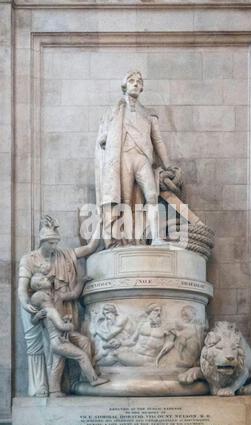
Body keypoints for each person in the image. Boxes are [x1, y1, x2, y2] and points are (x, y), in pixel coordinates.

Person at [18, 215, 101, 397]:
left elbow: (90, 248)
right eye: (51, 243)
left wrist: (101, 223)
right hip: (45, 318)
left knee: (74, 348)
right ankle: (48, 387)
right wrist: (26, 304)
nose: (54, 247)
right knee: (48, 352)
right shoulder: (29, 261)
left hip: (61, 317)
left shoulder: (62, 261)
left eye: (56, 243)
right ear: (43, 241)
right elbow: (22, 290)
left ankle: (77, 381)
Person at [95, 70, 172, 247]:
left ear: (142, 87)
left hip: (143, 158)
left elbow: (158, 140)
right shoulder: (114, 112)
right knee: (125, 201)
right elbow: (102, 139)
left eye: (139, 81)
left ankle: (156, 238)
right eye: (131, 81)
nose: (136, 84)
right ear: (125, 85)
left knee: (151, 195)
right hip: (124, 158)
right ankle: (127, 240)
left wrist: (168, 166)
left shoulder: (149, 114)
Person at [30, 273, 108, 396]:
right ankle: (92, 378)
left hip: (64, 334)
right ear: (39, 287)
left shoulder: (57, 296)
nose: (47, 279)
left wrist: (81, 281)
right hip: (60, 336)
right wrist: (37, 316)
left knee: (82, 342)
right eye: (43, 279)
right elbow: (34, 321)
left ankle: (57, 389)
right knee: (75, 357)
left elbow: (74, 294)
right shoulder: (46, 308)